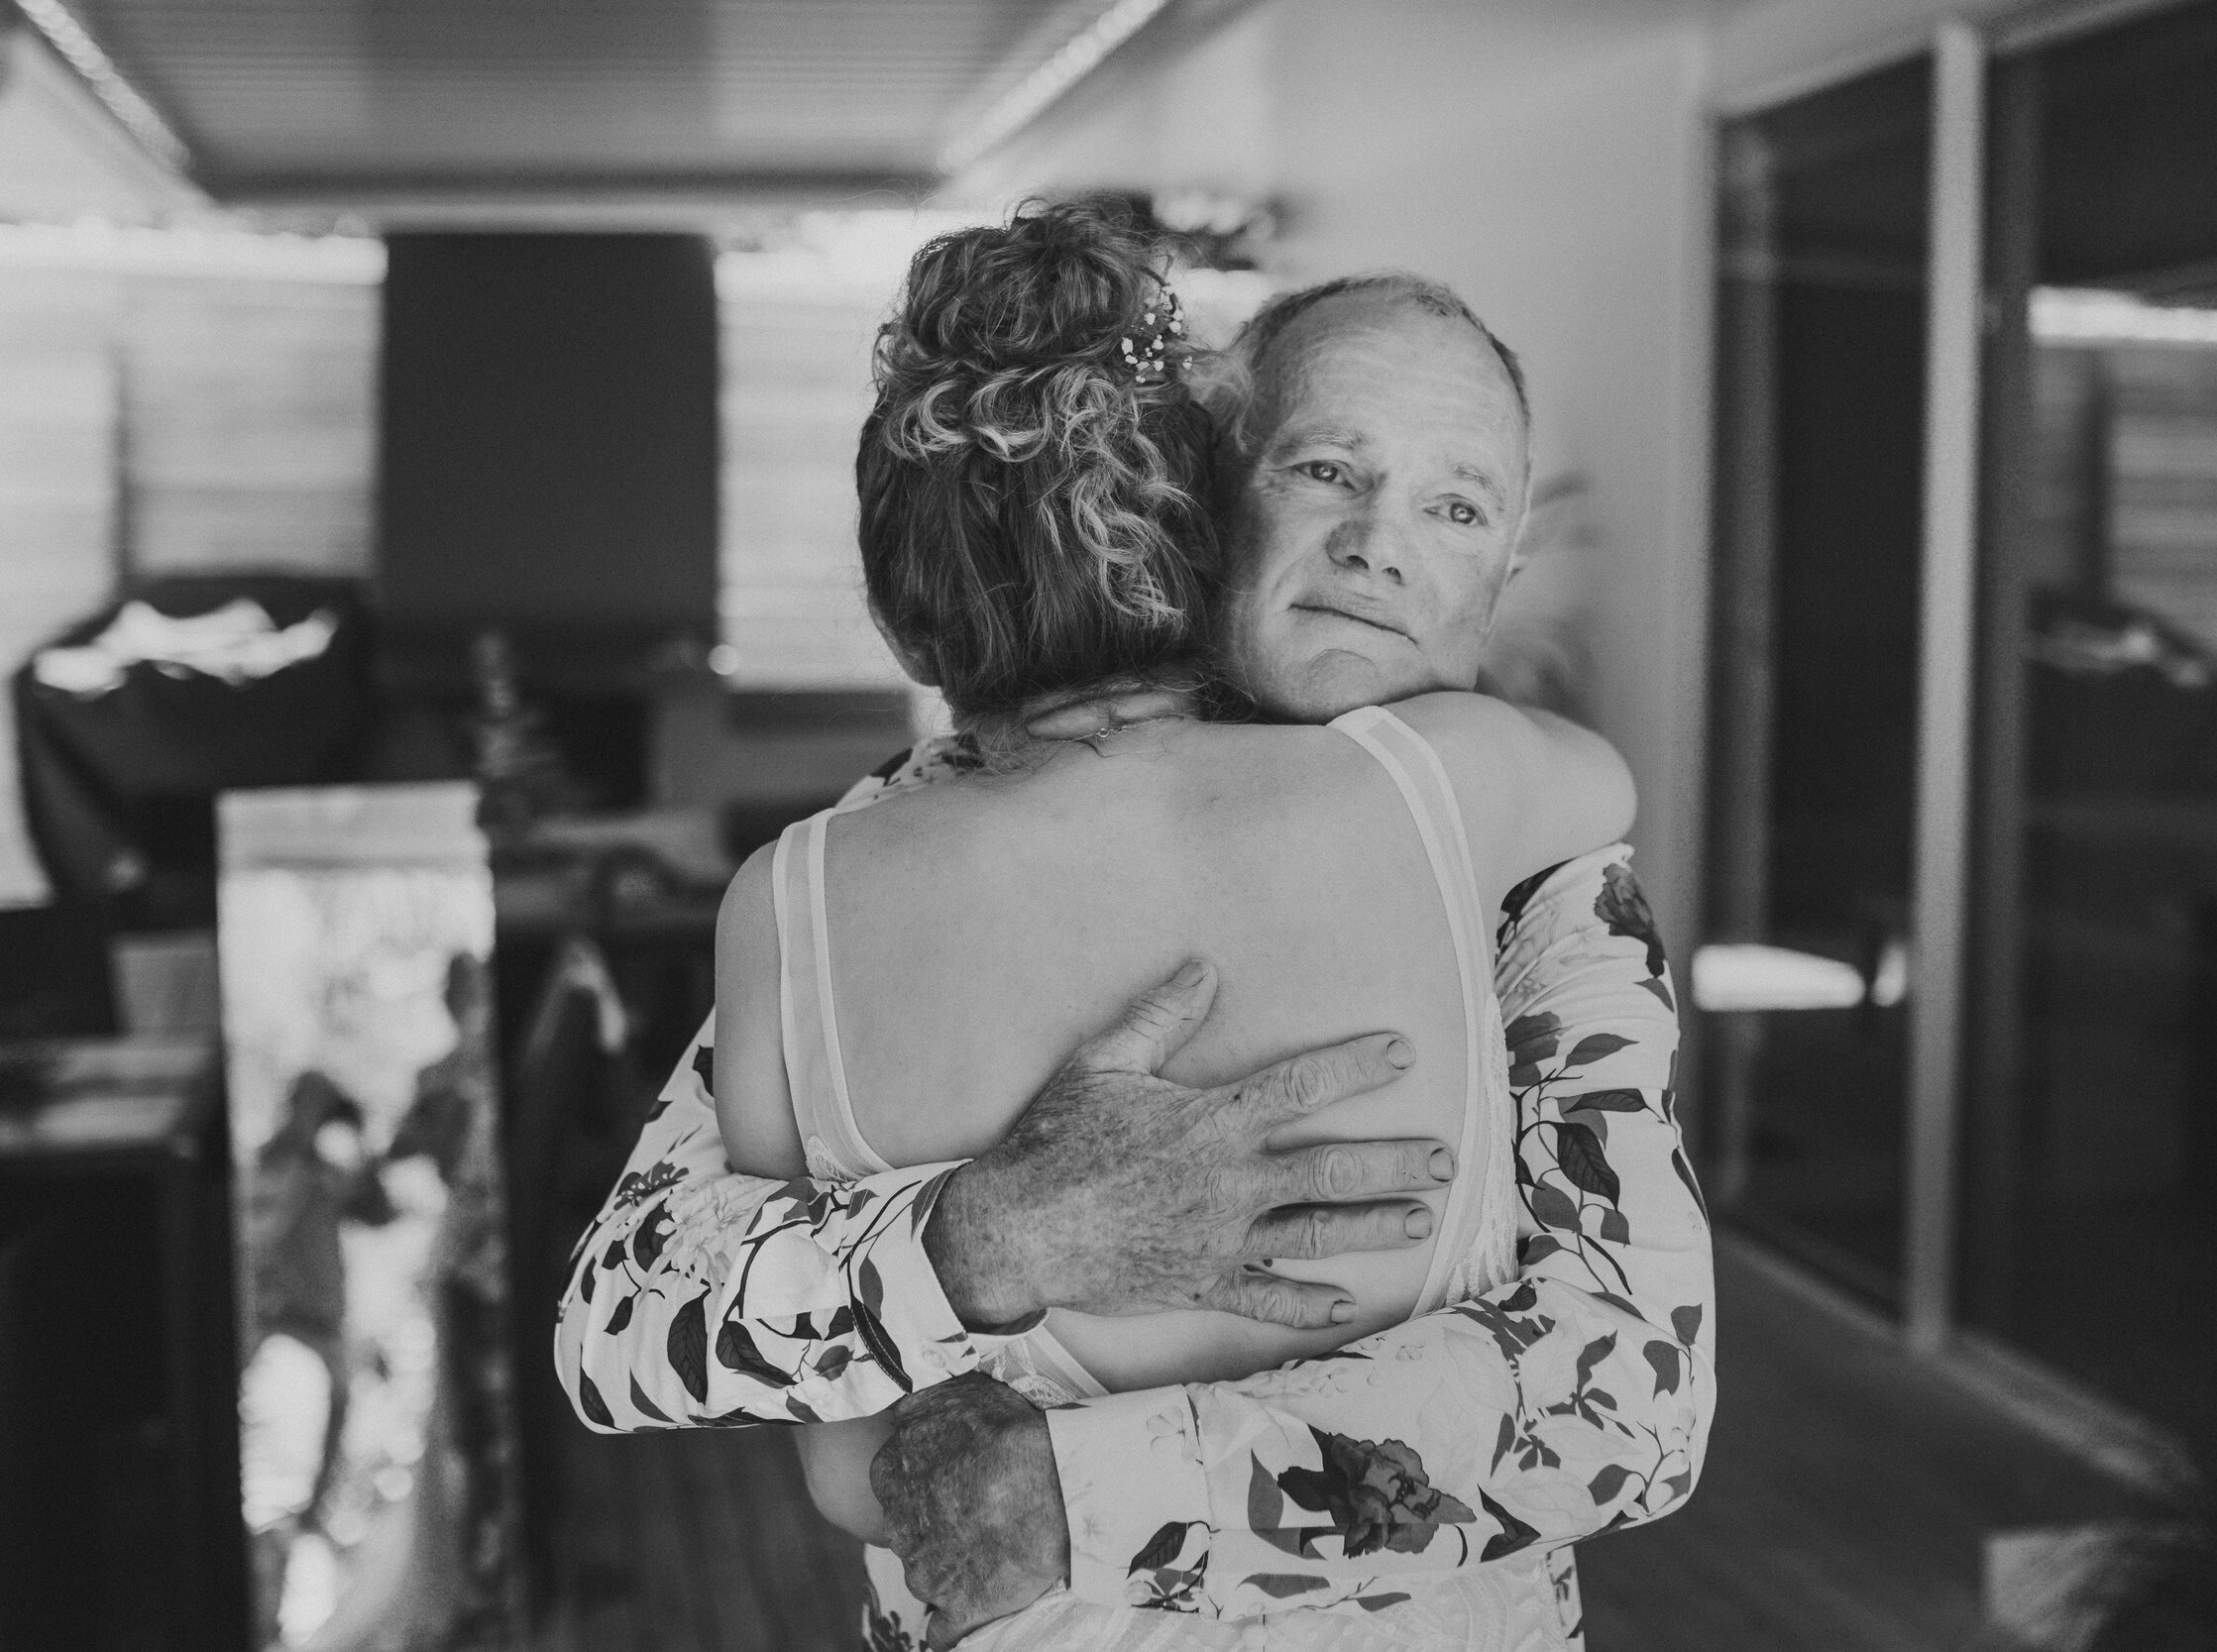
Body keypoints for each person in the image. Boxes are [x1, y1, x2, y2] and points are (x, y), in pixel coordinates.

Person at [558, 208, 1713, 1650]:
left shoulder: (1554, 893)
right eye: (1328, 470)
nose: (1378, 549)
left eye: (1456, 508)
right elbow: (623, 1317)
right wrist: (977, 1238)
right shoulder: (888, 839)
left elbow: (1630, 1405)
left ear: (1503, 574)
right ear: (1209, 491)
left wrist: (1083, 1490)